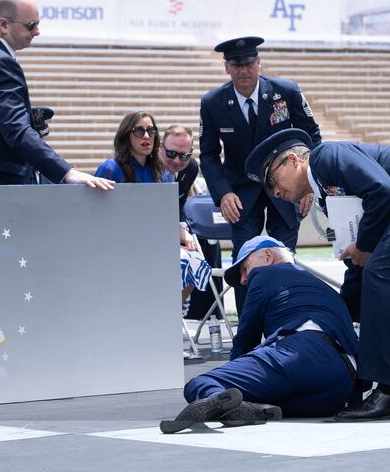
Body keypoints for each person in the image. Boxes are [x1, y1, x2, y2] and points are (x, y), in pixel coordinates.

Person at [245, 129, 390, 421]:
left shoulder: (326, 158)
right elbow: (358, 255)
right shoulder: (326, 194)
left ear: (293, 160)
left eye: (272, 181)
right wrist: (343, 310)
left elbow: (381, 192)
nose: (275, 193)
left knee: (383, 274)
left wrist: (366, 248)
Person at [161, 236, 358, 434]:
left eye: (245, 269)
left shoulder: (266, 274)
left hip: (301, 351)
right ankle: (248, 409)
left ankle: (226, 402)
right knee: (269, 397)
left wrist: (234, 372)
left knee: (201, 384)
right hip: (342, 384)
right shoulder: (325, 288)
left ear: (267, 255)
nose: (243, 279)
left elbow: (246, 338)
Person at [0, 0, 111, 190]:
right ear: (3, 24)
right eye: (31, 25)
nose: (37, 32)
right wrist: (66, 172)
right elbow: (17, 130)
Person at [198, 36, 321, 314]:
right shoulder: (213, 103)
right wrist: (223, 192)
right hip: (241, 194)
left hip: (289, 189)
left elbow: (312, 137)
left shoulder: (285, 92)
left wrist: (309, 183)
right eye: (236, 64)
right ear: (227, 68)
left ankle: (287, 321)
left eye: (250, 63)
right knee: (245, 261)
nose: (244, 70)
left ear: (259, 63)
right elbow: (207, 155)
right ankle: (248, 332)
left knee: (284, 259)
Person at [96, 113, 210, 314]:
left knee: (194, 260)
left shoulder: (158, 171)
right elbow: (97, 214)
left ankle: (169, 314)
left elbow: (165, 212)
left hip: (153, 243)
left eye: (151, 130)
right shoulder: (110, 168)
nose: (146, 136)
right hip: (120, 247)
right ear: (126, 136)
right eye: (139, 131)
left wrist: (179, 231)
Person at [160, 125, 224, 320]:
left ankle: (172, 310)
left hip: (168, 229)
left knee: (197, 259)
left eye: (184, 155)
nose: (177, 160)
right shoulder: (147, 167)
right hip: (145, 234)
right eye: (171, 154)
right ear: (160, 148)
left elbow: (178, 204)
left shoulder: (191, 168)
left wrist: (182, 230)